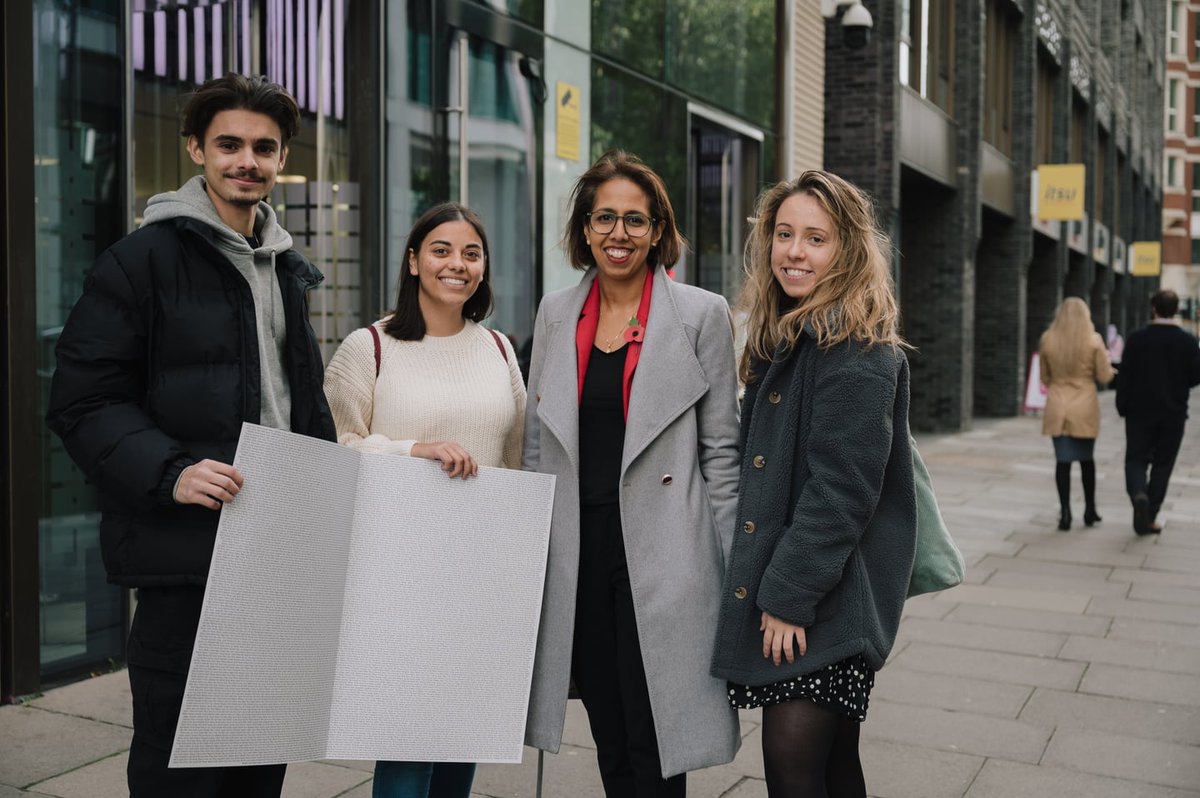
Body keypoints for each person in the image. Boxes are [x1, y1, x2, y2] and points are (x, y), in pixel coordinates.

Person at [45, 74, 335, 796]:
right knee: (179, 763)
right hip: (189, 553)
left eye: (264, 148)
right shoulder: (139, 261)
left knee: (260, 757)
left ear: (281, 158)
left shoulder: (286, 267)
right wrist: (171, 471)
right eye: (230, 144)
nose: (248, 160)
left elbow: (300, 407)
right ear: (195, 149)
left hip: (277, 555)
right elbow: (83, 402)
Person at [522, 150, 741, 796]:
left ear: (658, 230)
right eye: (605, 218)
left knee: (657, 733)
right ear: (585, 230)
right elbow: (539, 445)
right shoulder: (555, 312)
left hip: (665, 548)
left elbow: (721, 455)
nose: (619, 233)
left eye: (635, 220)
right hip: (577, 550)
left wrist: (735, 573)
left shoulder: (702, 315)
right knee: (609, 728)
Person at [710, 171, 915, 798]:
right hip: (816, 594)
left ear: (847, 251)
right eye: (784, 233)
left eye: (816, 239)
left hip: (824, 600)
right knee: (830, 767)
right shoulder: (794, 336)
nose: (793, 252)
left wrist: (787, 596)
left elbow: (842, 492)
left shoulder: (855, 351)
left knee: (795, 766)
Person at [323, 202, 526, 798]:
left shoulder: (499, 349)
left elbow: (513, 459)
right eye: (441, 250)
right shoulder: (369, 348)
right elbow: (336, 452)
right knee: (409, 742)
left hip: (480, 573)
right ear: (413, 262)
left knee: (465, 735)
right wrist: (414, 449)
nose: (456, 265)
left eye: (471, 253)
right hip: (402, 571)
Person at [1115, 289, 1200, 535]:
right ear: (1175, 310)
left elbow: (1125, 376)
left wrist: (1123, 405)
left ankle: (1138, 493)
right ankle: (1150, 515)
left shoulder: (1136, 338)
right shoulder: (1187, 341)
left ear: (1153, 308)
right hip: (1173, 413)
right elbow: (1196, 376)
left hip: (1139, 412)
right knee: (1163, 464)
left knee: (1135, 459)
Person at [1038, 297, 1115, 530]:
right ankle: (1090, 510)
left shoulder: (1048, 339)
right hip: (1084, 404)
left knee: (1062, 461)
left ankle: (1065, 513)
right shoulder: (1093, 340)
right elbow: (1104, 377)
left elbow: (1045, 378)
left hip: (1058, 404)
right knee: (1086, 460)